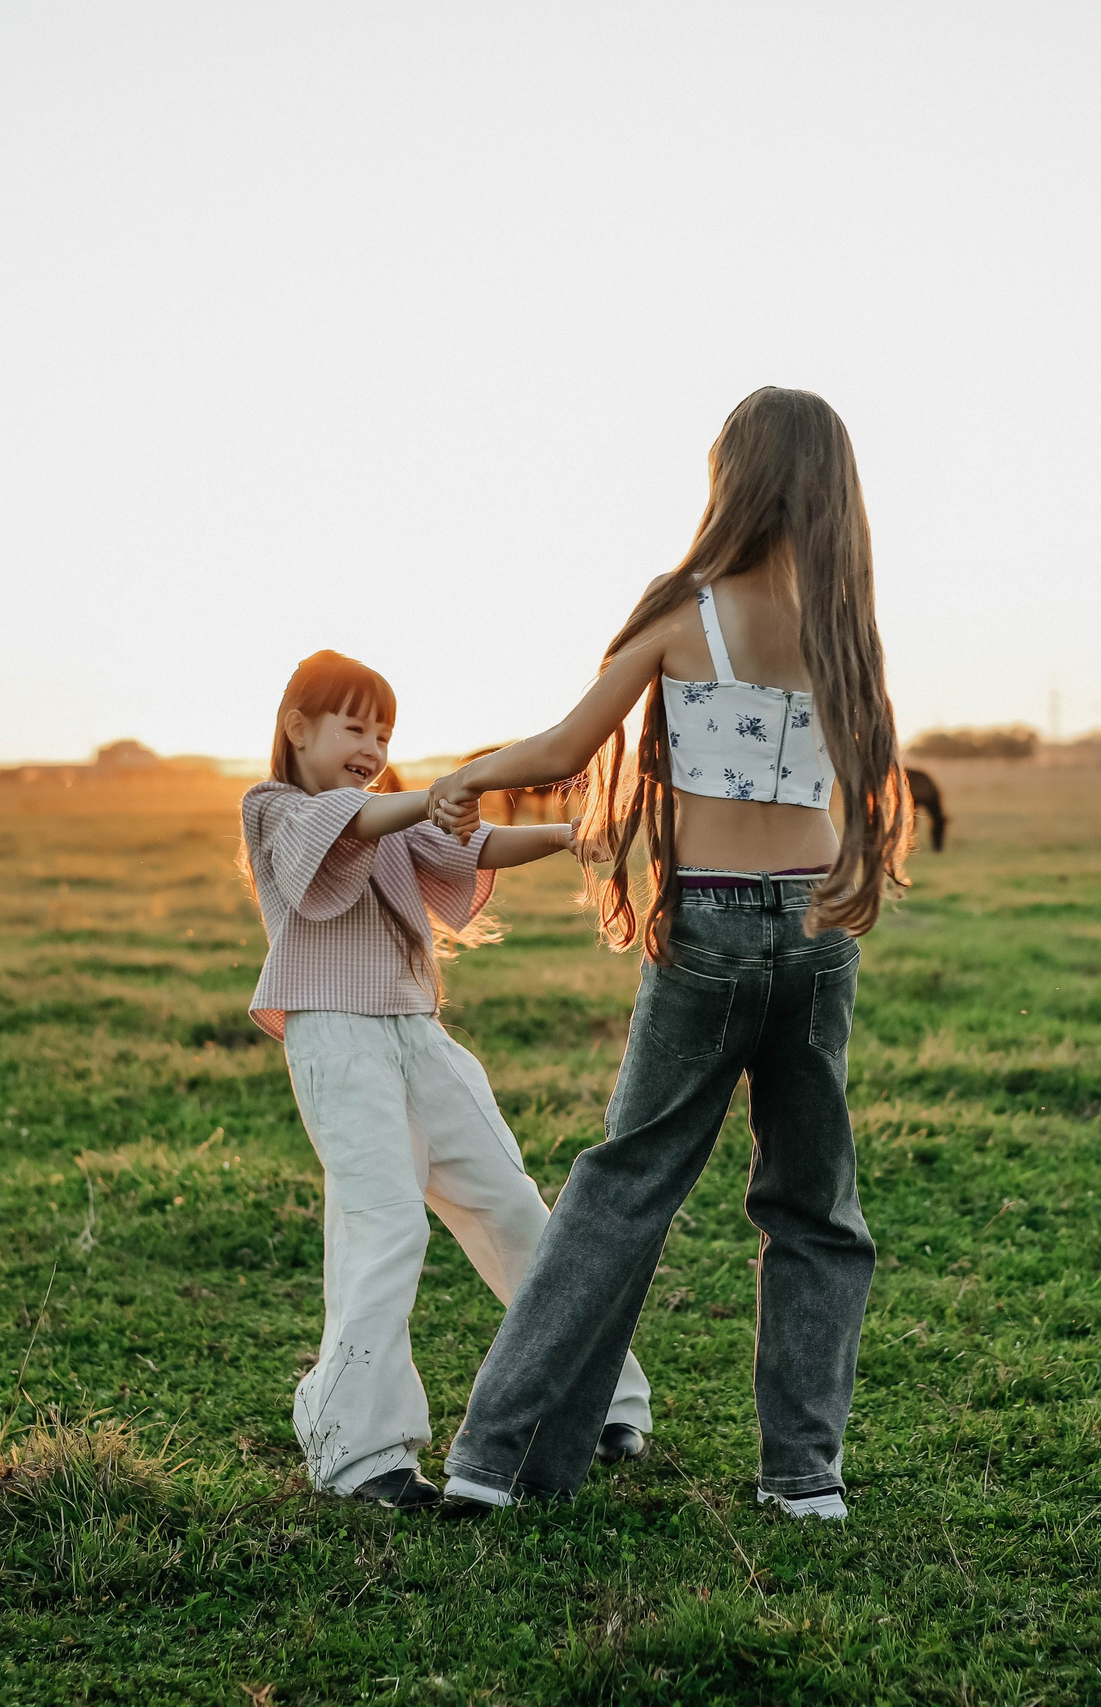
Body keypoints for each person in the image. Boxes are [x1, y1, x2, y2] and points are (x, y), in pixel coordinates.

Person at [426, 387, 910, 1519]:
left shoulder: (686, 608)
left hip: (710, 930)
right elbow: (862, 778)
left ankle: (495, 1462)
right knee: (814, 1209)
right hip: (815, 930)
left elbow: (567, 744)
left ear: (732, 478)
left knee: (621, 1190)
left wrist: (469, 775)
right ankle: (805, 1479)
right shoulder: (843, 621)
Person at [239, 649, 654, 1510]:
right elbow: (358, 820)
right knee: (384, 1225)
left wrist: (571, 836)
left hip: (420, 1038)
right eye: (354, 726)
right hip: (339, 1042)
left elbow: (469, 840)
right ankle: (358, 1448)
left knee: (510, 1203)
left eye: (384, 733)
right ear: (297, 727)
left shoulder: (390, 814)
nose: (372, 746)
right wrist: (429, 795)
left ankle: (595, 1398)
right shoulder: (276, 809)